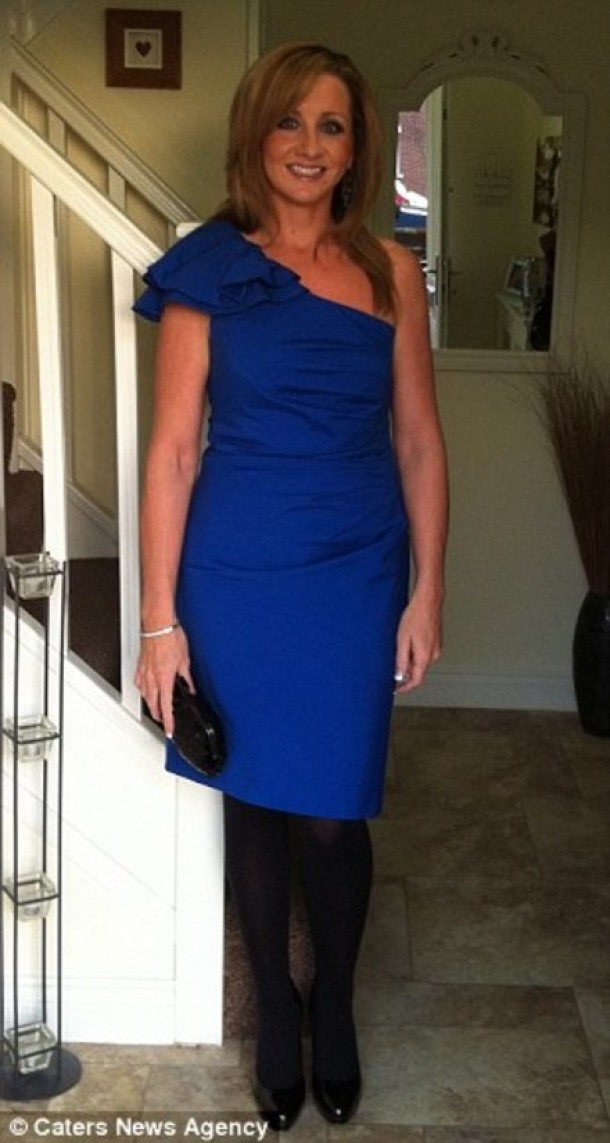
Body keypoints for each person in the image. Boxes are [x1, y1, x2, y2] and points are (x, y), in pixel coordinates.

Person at [134, 42, 448, 1133]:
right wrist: (160, 621)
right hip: (234, 569)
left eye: (332, 125)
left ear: (356, 148)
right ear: (254, 135)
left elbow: (419, 441)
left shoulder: (392, 273)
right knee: (259, 804)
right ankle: (277, 1006)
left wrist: (428, 591)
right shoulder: (208, 269)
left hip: (356, 569)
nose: (308, 146)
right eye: (288, 121)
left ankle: (336, 1003)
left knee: (331, 812)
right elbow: (174, 452)